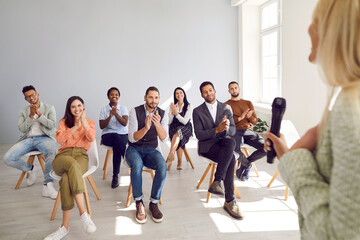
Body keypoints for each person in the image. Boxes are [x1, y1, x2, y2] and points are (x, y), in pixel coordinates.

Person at [264, 0, 360, 239]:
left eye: (317, 21)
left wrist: (294, 161)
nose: (309, 28)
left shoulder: (350, 108)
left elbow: (339, 234)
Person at [44, 96, 96, 240]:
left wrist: (83, 122)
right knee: (71, 166)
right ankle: (83, 214)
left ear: (83, 106)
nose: (77, 109)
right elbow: (59, 140)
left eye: (79, 105)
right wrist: (75, 127)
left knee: (67, 178)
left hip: (81, 156)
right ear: (69, 109)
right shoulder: (63, 122)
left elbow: (91, 138)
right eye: (73, 106)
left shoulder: (90, 122)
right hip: (63, 156)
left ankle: (64, 227)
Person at [193, 81, 243, 220]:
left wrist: (226, 128)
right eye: (205, 92)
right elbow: (199, 134)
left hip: (224, 144)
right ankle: (230, 201)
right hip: (208, 147)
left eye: (210, 90)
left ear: (214, 90)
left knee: (231, 141)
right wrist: (216, 130)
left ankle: (217, 182)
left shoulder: (226, 107)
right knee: (231, 157)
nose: (208, 93)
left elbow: (233, 129)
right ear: (202, 95)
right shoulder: (197, 111)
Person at [3, 85, 57, 199]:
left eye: (33, 95)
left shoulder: (49, 108)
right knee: (7, 158)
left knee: (51, 153)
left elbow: (52, 125)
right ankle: (31, 168)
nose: (31, 98)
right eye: (28, 96)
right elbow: (22, 129)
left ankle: (47, 185)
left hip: (44, 138)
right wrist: (31, 116)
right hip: (28, 139)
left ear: (37, 94)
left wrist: (39, 115)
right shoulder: (23, 111)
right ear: (25, 99)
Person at [125, 86, 168, 224]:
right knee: (137, 165)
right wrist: (146, 128)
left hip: (151, 149)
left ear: (159, 99)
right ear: (145, 98)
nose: (153, 100)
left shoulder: (163, 113)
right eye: (150, 97)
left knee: (162, 165)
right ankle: (139, 202)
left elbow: (164, 138)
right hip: (134, 149)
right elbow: (132, 138)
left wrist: (157, 125)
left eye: (156, 97)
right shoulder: (134, 111)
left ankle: (154, 203)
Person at [225, 81, 266, 181]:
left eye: (236, 88)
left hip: (247, 130)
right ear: (229, 91)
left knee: (266, 147)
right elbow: (226, 122)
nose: (234, 90)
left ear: (239, 89)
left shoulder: (248, 103)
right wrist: (240, 118)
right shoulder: (226, 105)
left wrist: (250, 117)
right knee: (235, 149)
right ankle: (247, 166)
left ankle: (245, 164)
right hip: (234, 131)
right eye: (232, 89)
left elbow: (255, 122)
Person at [99, 87, 128, 188]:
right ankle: (127, 157)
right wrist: (110, 115)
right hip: (108, 135)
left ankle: (115, 176)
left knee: (117, 145)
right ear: (108, 97)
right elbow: (102, 126)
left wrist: (115, 113)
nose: (114, 96)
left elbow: (124, 123)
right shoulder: (104, 109)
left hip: (122, 135)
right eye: (112, 94)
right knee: (116, 137)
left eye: (116, 94)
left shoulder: (123, 108)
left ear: (119, 97)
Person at [166, 87, 193, 171]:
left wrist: (176, 113)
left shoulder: (189, 105)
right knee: (178, 133)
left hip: (186, 127)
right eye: (177, 93)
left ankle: (172, 153)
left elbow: (185, 121)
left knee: (179, 131)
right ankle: (179, 162)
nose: (179, 94)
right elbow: (169, 122)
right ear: (175, 96)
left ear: (184, 94)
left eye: (180, 92)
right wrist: (171, 112)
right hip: (174, 127)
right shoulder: (173, 106)